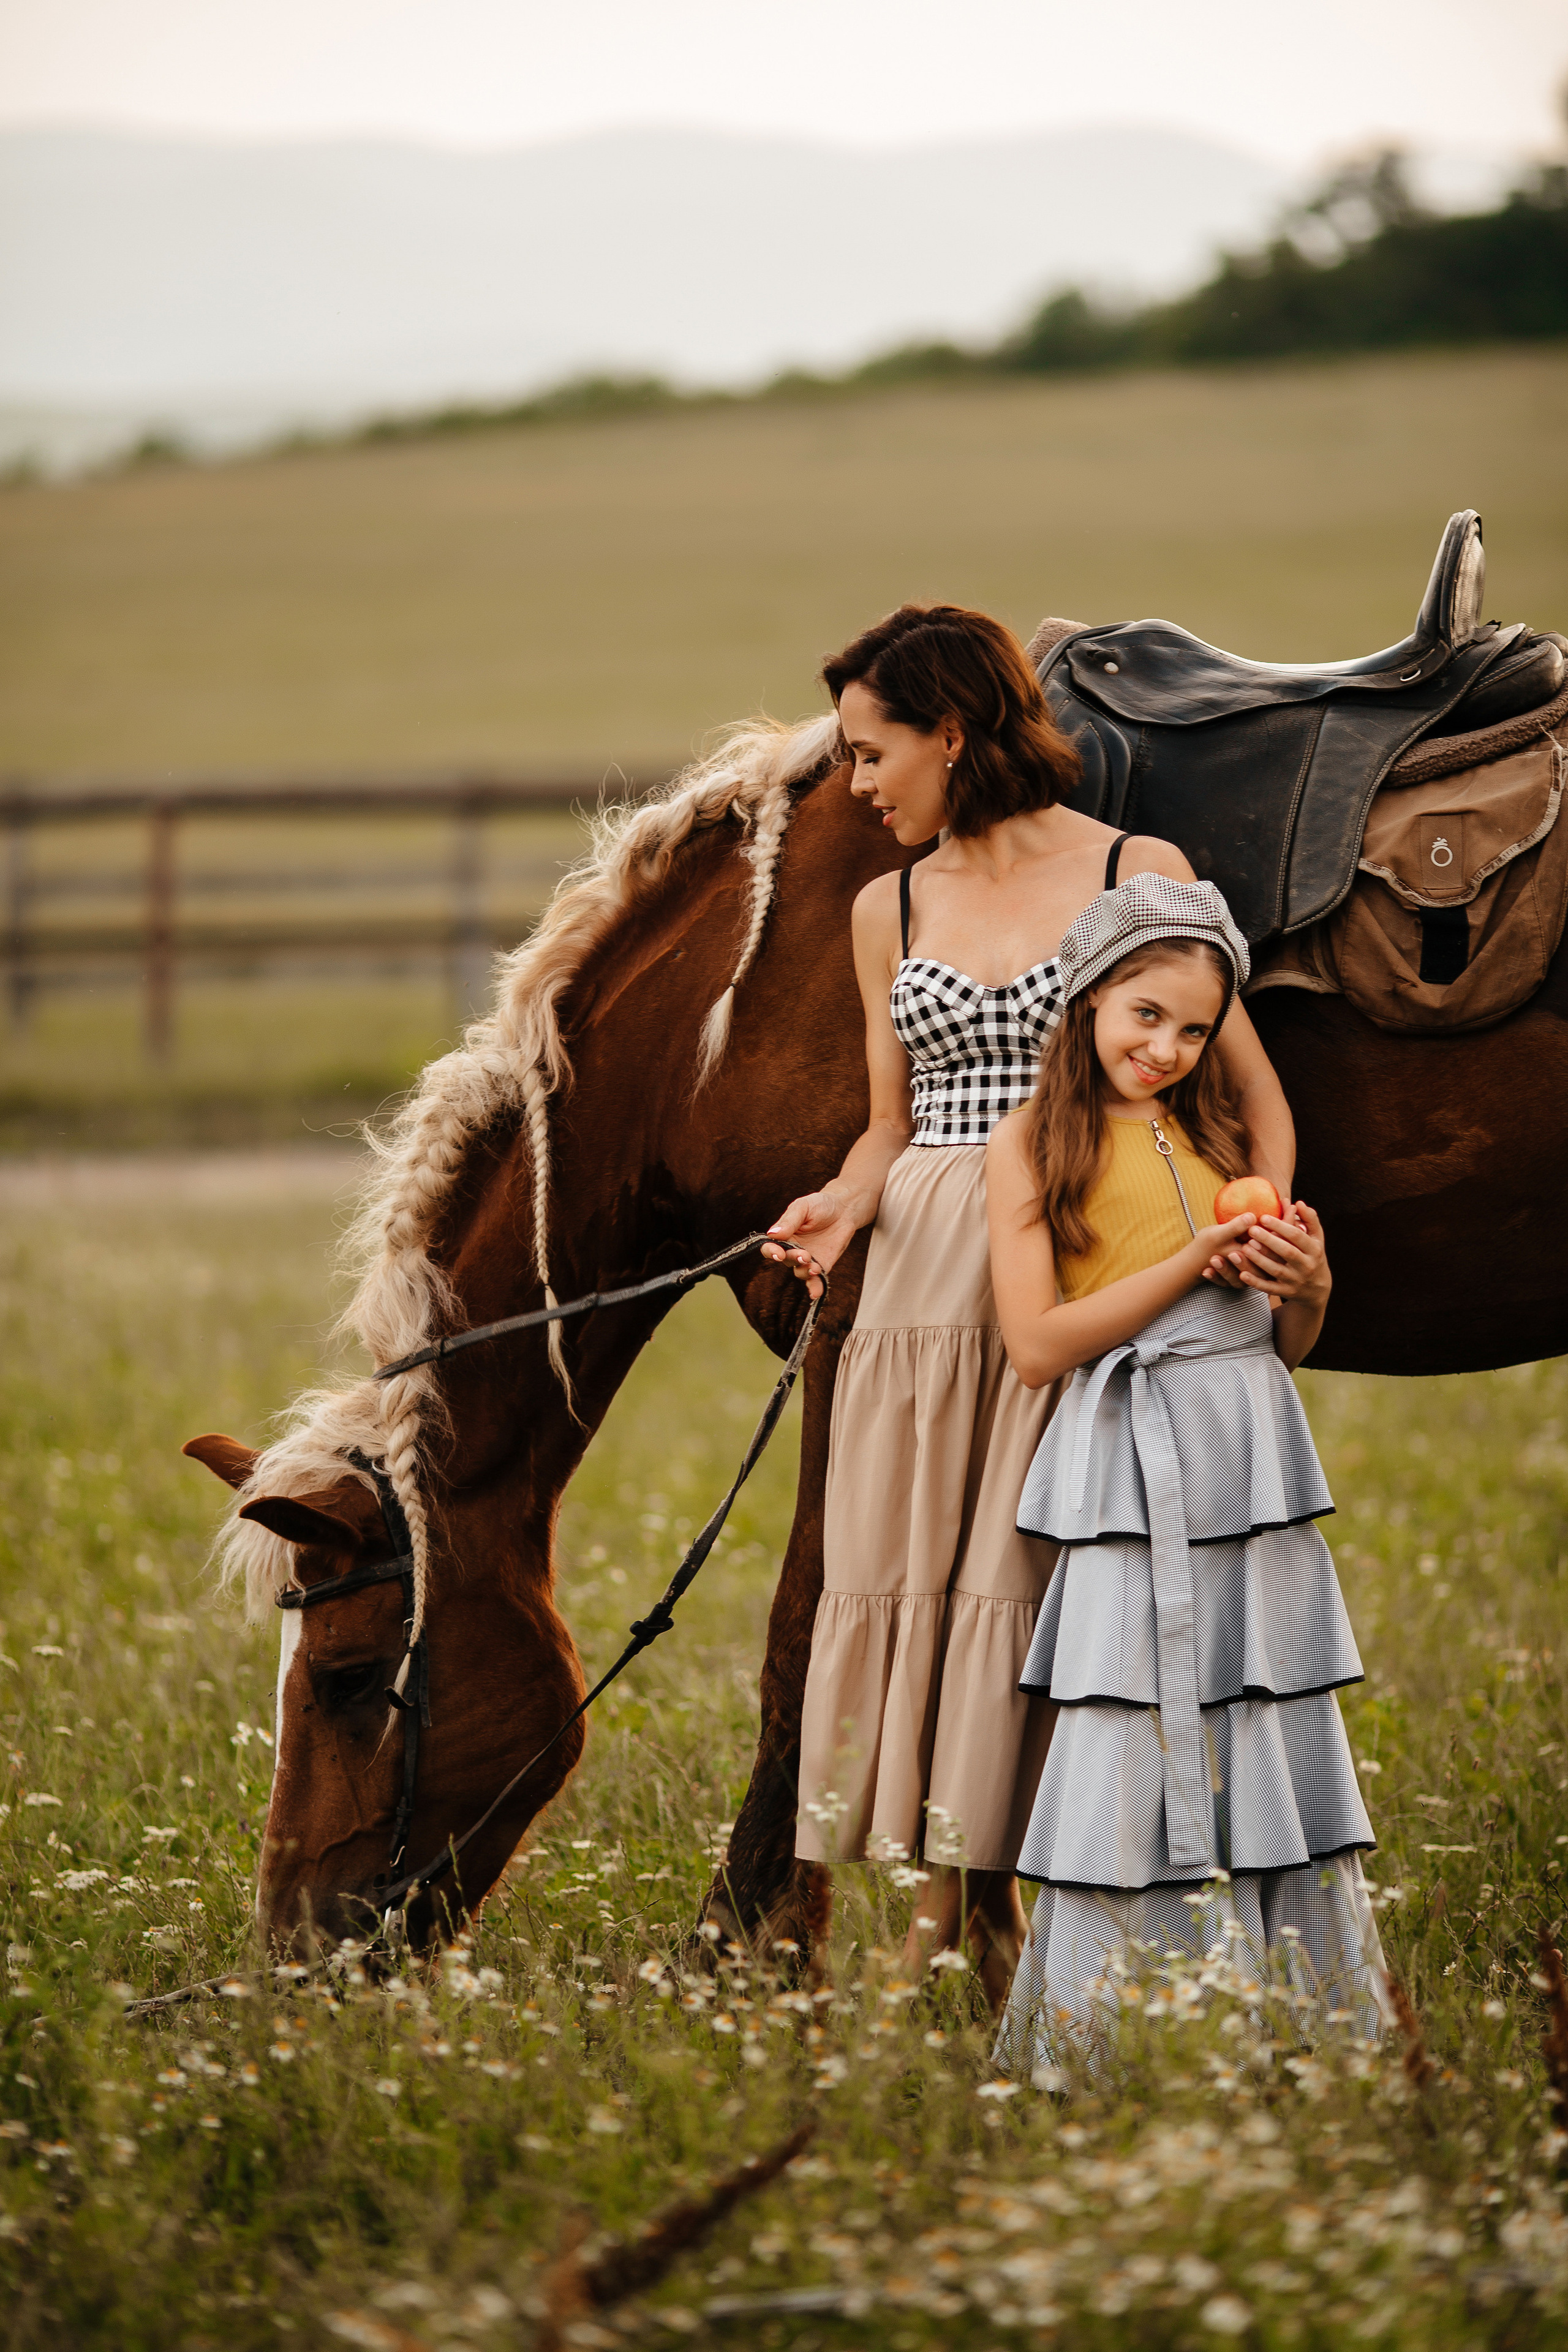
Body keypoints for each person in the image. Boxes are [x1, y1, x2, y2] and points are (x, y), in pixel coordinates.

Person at [763, 603, 1296, 1999]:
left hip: (1077, 1251)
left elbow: (1248, 1091)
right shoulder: (888, 905)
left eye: (872, 752)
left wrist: (1255, 1215)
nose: (857, 783)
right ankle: (950, 1917)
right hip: (926, 1268)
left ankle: (1031, 1917)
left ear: (951, 732)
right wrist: (839, 1200)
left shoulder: (1134, 869)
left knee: (1031, 1581)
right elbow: (891, 1125)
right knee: (924, 1585)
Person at [986, 871, 1390, 2059]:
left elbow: (1281, 1338)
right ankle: (1103, 2028)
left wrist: (1304, 1290)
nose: (1165, 1046)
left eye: (1193, 1027)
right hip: (1129, 1460)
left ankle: (1302, 2012)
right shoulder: (1031, 1147)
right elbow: (1033, 1346)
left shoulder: (1216, 1136)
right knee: (1121, 1714)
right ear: (1088, 1001)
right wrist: (1190, 1261)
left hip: (1247, 1453)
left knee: (1265, 1708)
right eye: (1143, 1015)